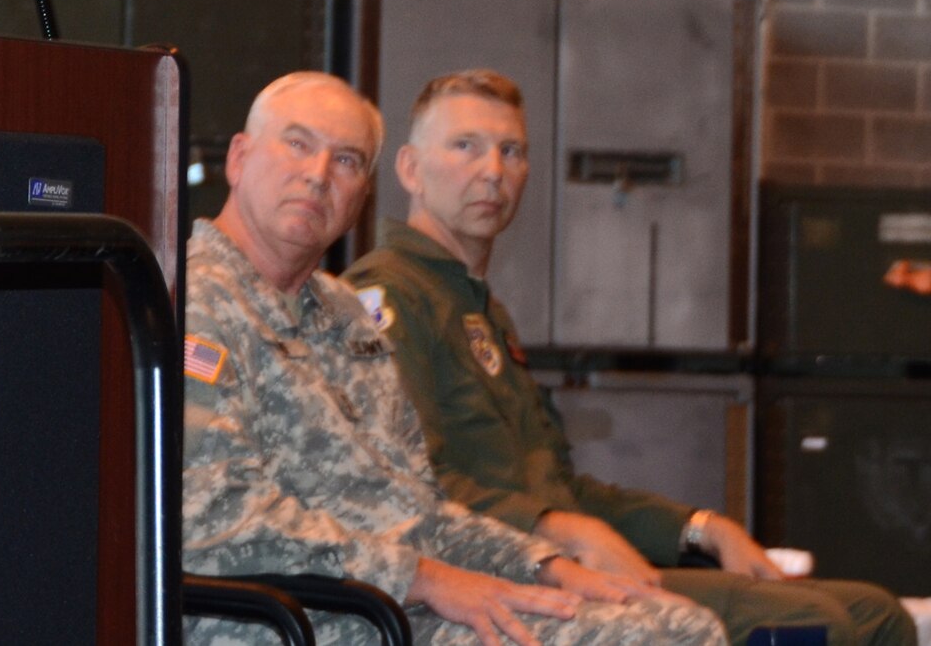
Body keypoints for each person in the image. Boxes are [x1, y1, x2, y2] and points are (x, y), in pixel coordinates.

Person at [345, 70, 912, 646]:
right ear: (410, 169)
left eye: (511, 150)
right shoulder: (389, 297)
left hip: (564, 563)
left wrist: (701, 531)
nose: (492, 170)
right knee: (819, 627)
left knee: (878, 613)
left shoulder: (479, 309)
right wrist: (554, 529)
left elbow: (563, 491)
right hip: (497, 579)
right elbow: (408, 488)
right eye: (465, 146)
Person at [184, 71, 722, 646]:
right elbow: (211, 518)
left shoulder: (343, 314)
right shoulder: (186, 301)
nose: (317, 176)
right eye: (297, 144)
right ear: (239, 158)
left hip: (390, 605)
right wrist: (423, 578)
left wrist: (543, 565)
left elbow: (417, 508)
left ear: (362, 194)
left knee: (681, 625)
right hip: (281, 619)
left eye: (346, 161)